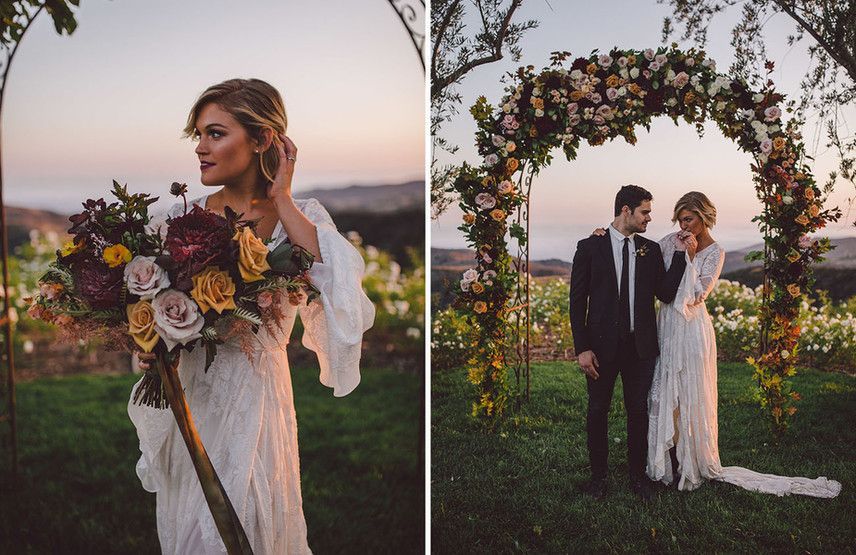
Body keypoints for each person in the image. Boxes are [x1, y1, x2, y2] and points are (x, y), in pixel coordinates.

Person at [128, 78, 375, 553]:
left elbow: (338, 297)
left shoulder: (301, 216)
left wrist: (282, 196)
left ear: (263, 139)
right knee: (195, 532)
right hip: (192, 397)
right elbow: (153, 306)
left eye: (215, 133)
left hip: (258, 400)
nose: (200, 148)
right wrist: (152, 344)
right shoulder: (179, 221)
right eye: (198, 135)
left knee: (252, 525)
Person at [644, 192, 841, 497]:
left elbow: (698, 294)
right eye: (680, 219)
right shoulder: (669, 241)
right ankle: (666, 461)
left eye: (689, 219)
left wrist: (692, 256)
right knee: (665, 390)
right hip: (667, 324)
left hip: (693, 327)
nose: (682, 225)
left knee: (691, 390)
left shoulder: (715, 251)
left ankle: (692, 459)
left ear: (704, 217)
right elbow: (655, 275)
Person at [569, 184, 688, 500]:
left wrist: (679, 255)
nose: (649, 218)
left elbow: (664, 293)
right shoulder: (589, 247)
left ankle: (638, 478)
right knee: (597, 411)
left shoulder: (649, 250)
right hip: (600, 349)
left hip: (640, 349)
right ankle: (598, 479)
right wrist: (582, 348)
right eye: (645, 212)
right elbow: (577, 302)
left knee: (638, 412)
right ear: (626, 210)